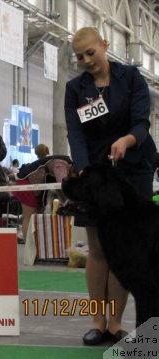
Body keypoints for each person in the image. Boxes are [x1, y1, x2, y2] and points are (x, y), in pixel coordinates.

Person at [65, 27, 156, 345]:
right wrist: (83, 167)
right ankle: (97, 322)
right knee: (99, 249)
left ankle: (117, 323)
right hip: (96, 175)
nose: (86, 60)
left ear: (105, 46)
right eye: (80, 56)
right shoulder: (75, 88)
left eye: (91, 52)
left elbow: (141, 121)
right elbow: (75, 132)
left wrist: (127, 140)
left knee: (129, 252)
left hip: (133, 169)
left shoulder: (131, 78)